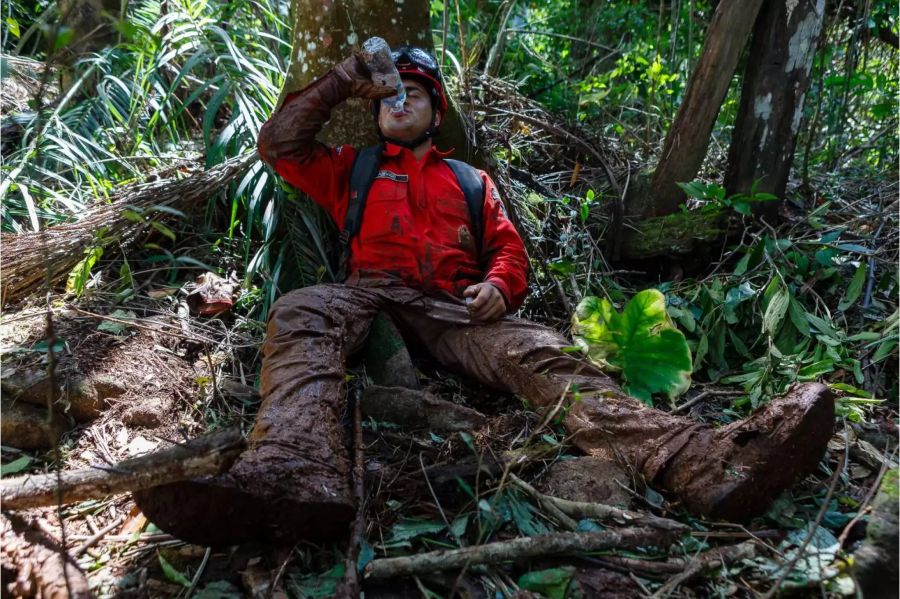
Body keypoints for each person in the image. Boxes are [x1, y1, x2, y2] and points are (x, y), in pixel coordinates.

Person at [134, 44, 834, 545]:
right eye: (388, 97)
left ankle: (698, 461)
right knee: (300, 309)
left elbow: (508, 252)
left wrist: (501, 287)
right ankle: (296, 471)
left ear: (437, 110)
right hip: (367, 297)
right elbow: (281, 146)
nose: (398, 102)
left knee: (541, 351)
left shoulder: (470, 181)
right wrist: (350, 76)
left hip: (451, 311)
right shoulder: (350, 169)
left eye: (412, 93)